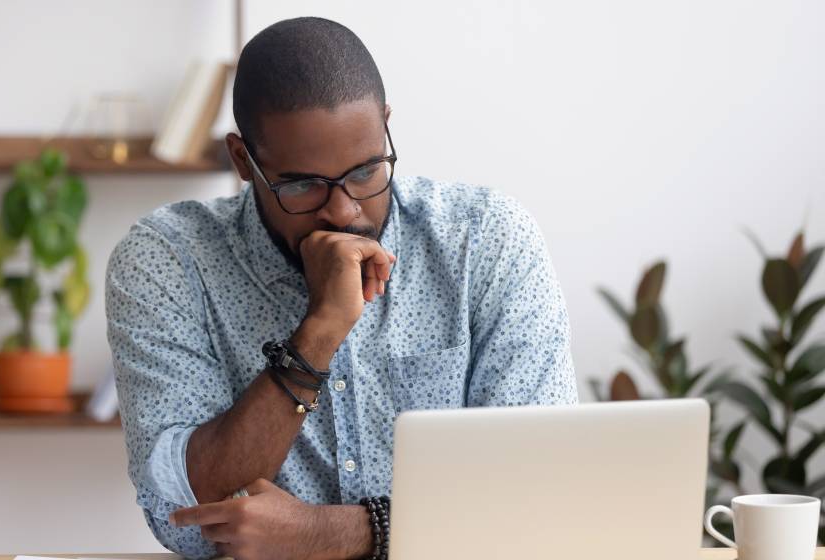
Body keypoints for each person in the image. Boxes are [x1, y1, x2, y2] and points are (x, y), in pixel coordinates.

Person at [105, 16, 577, 560]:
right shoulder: (169, 260)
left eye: (365, 171)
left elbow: (538, 493)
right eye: (303, 185)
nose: (344, 210)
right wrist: (319, 332)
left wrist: (324, 534)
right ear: (243, 160)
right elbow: (184, 515)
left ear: (386, 127)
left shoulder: (487, 241)